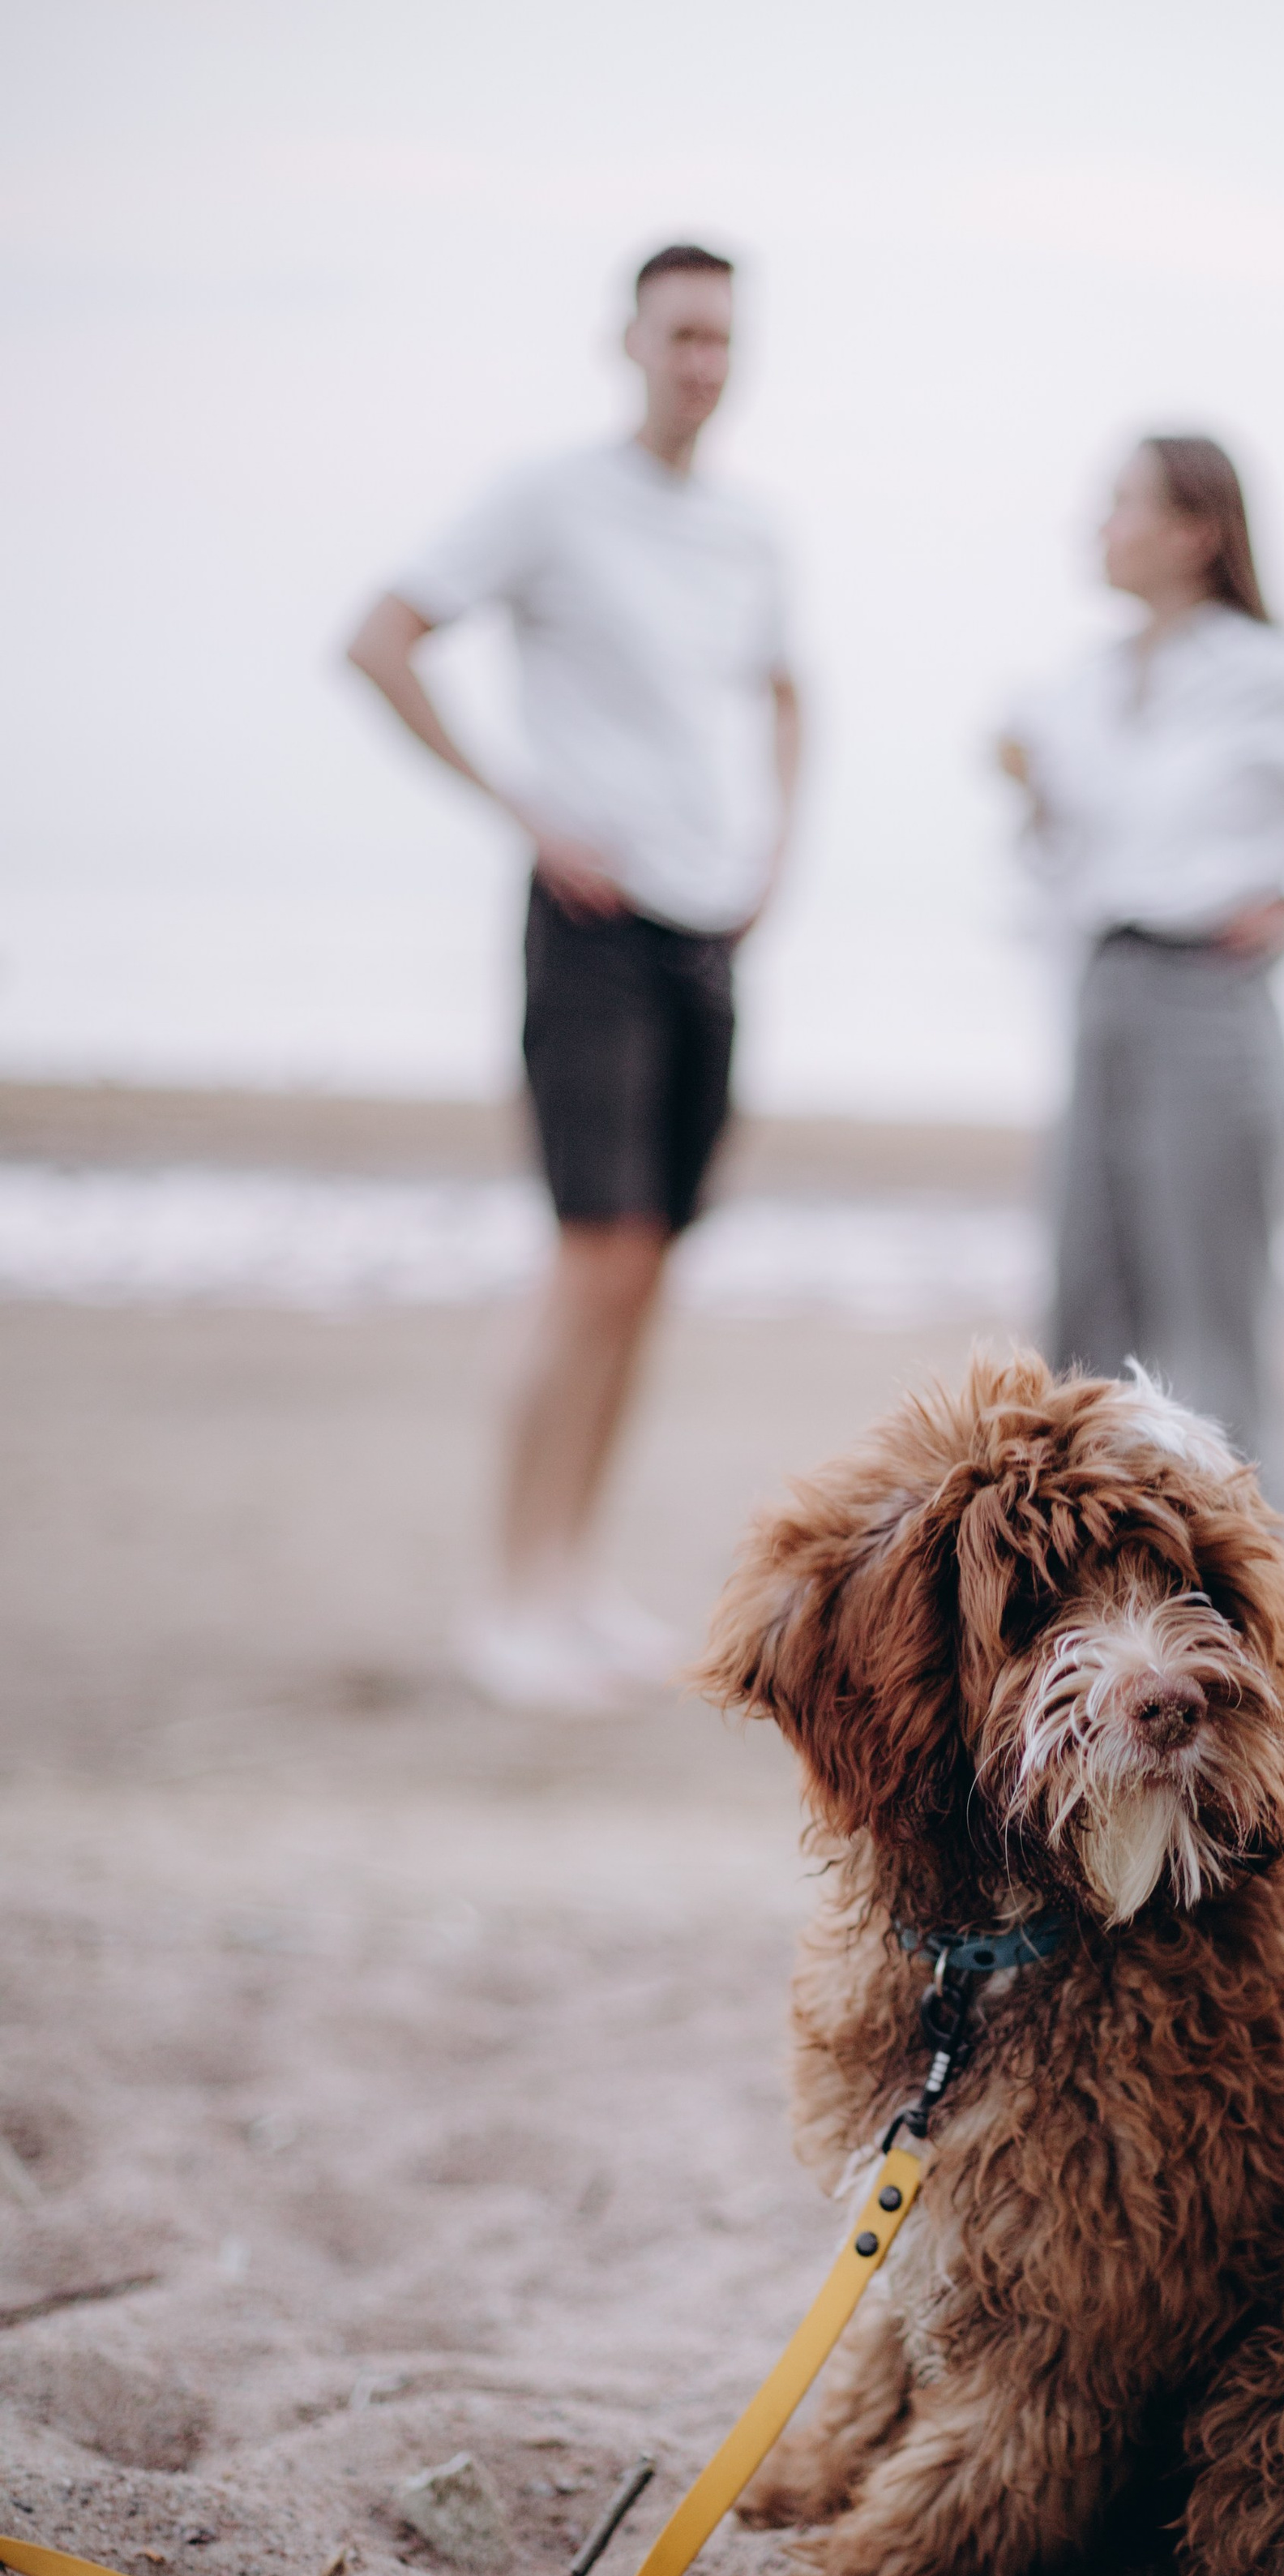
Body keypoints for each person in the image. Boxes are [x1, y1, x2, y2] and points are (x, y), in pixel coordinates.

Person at [345, 243, 799, 1712]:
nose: (702, 362)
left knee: (650, 1262)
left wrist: (774, 855)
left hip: (706, 927)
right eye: (681, 334)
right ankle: (511, 1591)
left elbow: (790, 694)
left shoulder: (748, 530)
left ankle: (577, 1577)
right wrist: (525, 811)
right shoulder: (549, 496)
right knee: (590, 1252)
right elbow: (381, 640)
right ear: (629, 342)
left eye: (722, 338)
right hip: (591, 923)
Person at [1000, 435, 1284, 1495]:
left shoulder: (1266, 674)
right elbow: (1072, 858)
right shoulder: (1088, 680)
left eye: (1124, 503)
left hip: (1207, 1005)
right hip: (1103, 992)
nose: (1100, 525)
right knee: (1081, 1315)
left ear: (1195, 533)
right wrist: (1029, 790)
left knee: (1209, 1330)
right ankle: (1087, 1568)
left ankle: (1245, 1572)